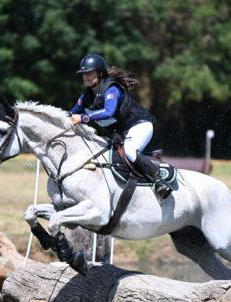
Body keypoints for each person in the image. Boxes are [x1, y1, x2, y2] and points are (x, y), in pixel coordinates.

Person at [69, 53, 172, 199]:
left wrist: (84, 117)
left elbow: (109, 112)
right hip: (122, 133)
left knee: (130, 151)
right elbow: (71, 114)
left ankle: (158, 180)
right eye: (84, 73)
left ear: (100, 72)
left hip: (139, 125)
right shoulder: (87, 96)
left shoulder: (112, 89)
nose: (86, 76)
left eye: (90, 72)